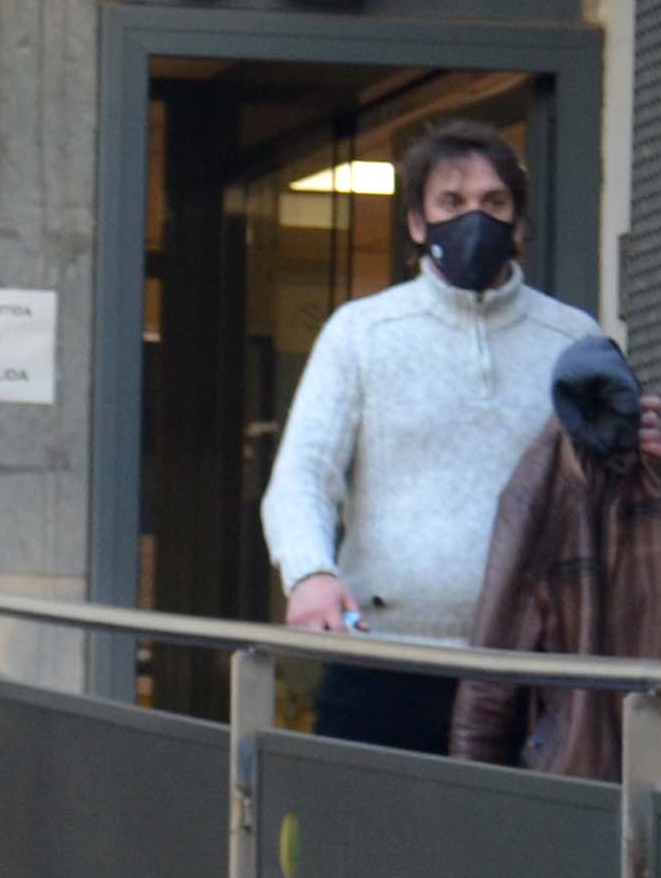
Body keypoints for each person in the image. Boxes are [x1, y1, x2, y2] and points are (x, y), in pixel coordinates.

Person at [259, 119, 631, 756]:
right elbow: (301, 477)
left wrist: (636, 451)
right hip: (382, 664)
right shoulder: (361, 333)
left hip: (531, 670)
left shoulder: (574, 340)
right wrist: (310, 574)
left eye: (494, 203)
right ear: (415, 223)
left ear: (518, 225)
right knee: (364, 853)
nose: (474, 219)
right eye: (451, 203)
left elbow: (606, 495)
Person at [445, 334, 661, 783]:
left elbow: (494, 658)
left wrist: (470, 775)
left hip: (589, 762)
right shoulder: (545, 491)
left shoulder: (629, 490)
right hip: (609, 763)